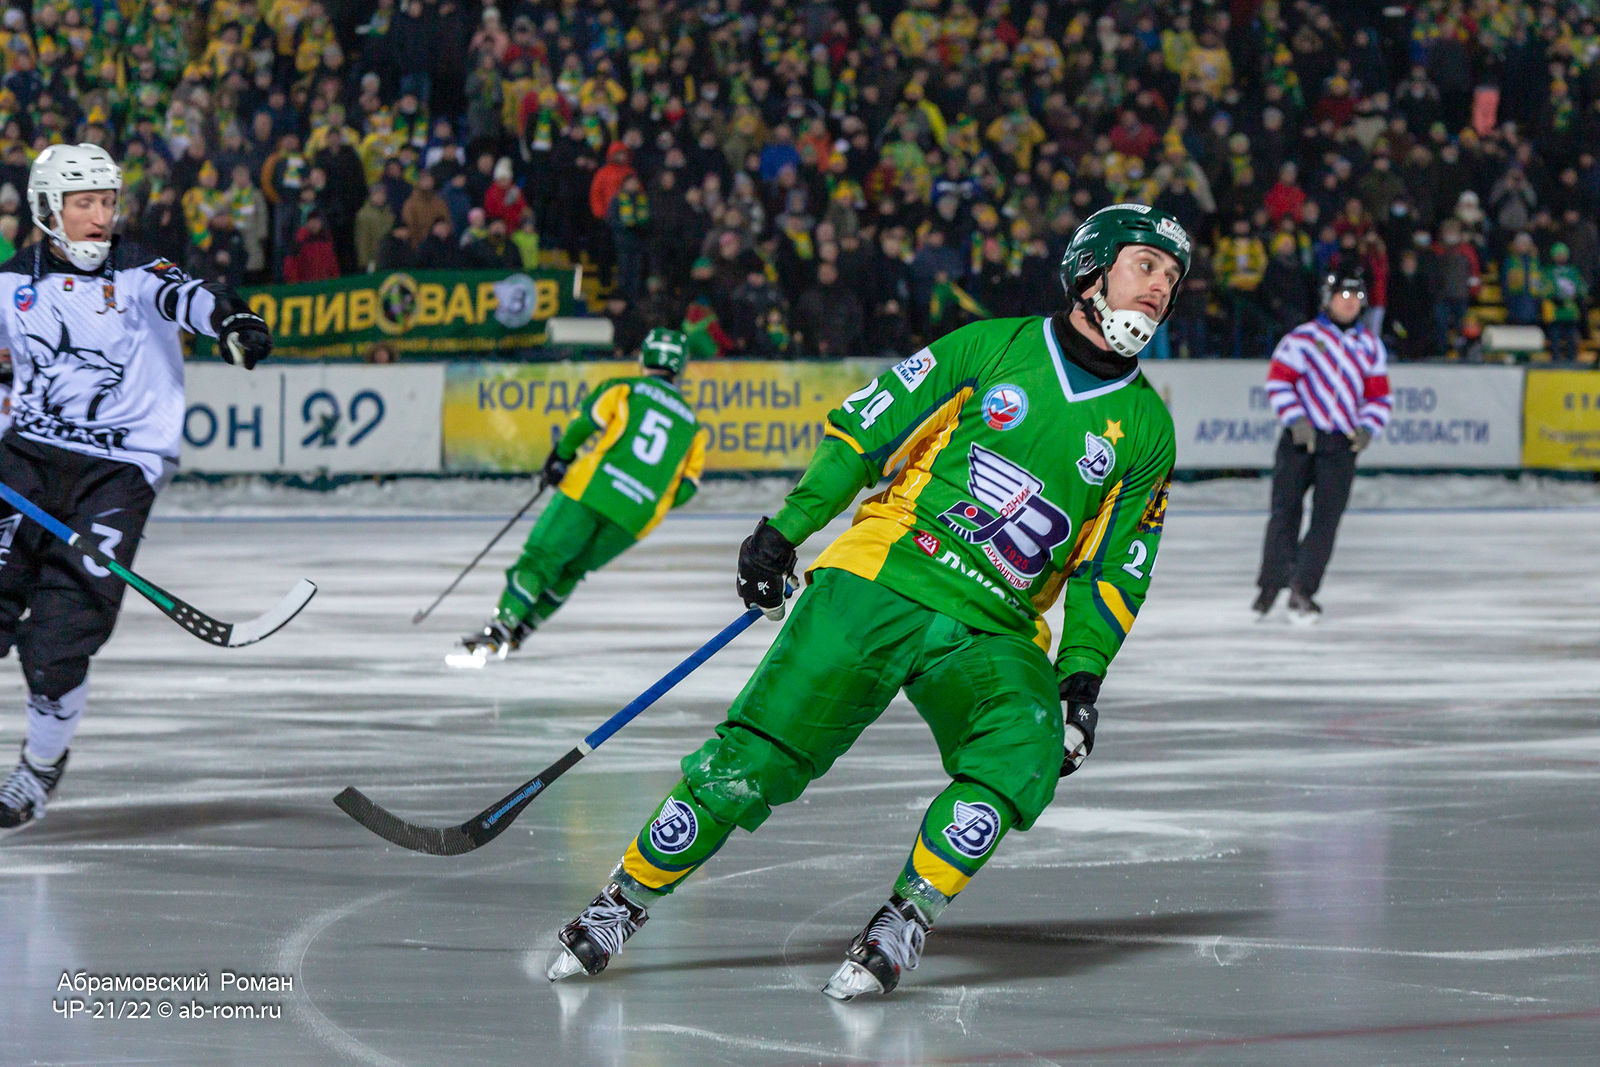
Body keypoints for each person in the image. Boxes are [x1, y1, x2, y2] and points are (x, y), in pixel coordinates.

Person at [544, 204, 1191, 1000]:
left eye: (1171, 276)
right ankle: (625, 899)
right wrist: (786, 529)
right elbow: (866, 429)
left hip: (996, 624)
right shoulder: (992, 346)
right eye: (1146, 265)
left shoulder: (1148, 428)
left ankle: (906, 916)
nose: (1161, 287)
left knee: (1025, 747)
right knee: (756, 757)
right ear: (1091, 269)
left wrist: (1081, 676)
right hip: (884, 573)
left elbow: (1116, 570)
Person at [0, 143, 272, 828]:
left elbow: (193, 296)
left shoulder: (139, 270)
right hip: (27, 457)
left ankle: (39, 767)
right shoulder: (10, 284)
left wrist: (234, 321)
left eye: (107, 202)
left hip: (119, 470)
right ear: (46, 210)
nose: (99, 216)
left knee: (60, 640)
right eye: (83, 203)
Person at [454, 328, 707, 665]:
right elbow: (686, 489)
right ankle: (523, 631)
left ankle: (502, 626)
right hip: (637, 516)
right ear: (681, 367)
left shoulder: (626, 389)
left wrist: (560, 456)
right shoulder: (693, 425)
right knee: (572, 571)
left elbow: (585, 423)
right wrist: (648, 496)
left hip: (590, 490)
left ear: (644, 357)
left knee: (540, 559)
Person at [1252, 262, 1392, 623]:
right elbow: (1278, 382)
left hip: (1340, 445)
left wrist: (1367, 429)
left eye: (1356, 296)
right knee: (1285, 512)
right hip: (1300, 441)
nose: (1349, 302)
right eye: (1342, 295)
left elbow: (1379, 398)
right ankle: (1271, 585)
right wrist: (1296, 419)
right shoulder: (1303, 338)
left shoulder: (1370, 346)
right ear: (1327, 299)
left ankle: (1303, 589)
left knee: (1327, 519)